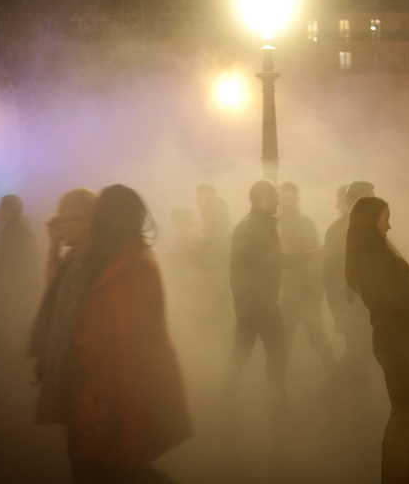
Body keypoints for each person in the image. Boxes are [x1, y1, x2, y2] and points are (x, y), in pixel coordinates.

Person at [71, 185, 191, 482]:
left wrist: (111, 393)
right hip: (105, 386)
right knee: (106, 465)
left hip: (118, 388)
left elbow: (129, 344)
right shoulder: (113, 259)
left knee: (113, 466)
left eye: (98, 214)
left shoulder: (134, 267)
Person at [345, 196, 409, 484]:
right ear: (370, 222)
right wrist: (402, 273)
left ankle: (403, 475)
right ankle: (398, 477)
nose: (390, 225)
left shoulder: (370, 254)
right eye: (385, 218)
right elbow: (404, 295)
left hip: (399, 338)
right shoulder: (373, 258)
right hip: (396, 339)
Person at [223, 179, 326, 420]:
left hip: (248, 303)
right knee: (277, 354)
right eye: (273, 197)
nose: (278, 201)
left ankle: (225, 405)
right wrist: (310, 255)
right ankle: (278, 411)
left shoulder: (245, 224)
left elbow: (239, 268)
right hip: (262, 303)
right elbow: (274, 260)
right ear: (263, 199)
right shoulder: (261, 225)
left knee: (241, 353)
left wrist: (240, 302)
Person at [29, 189, 97, 434]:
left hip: (82, 375)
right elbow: (54, 283)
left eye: (63, 219)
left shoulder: (92, 259)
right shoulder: (75, 254)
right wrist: (53, 245)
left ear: (86, 220)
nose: (58, 225)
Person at [277, 182, 337, 392]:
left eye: (290, 198)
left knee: (316, 337)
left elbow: (317, 256)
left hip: (306, 292)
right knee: (287, 341)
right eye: (283, 198)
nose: (287, 202)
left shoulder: (303, 224)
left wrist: (315, 290)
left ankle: (336, 382)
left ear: (296, 199)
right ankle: (278, 393)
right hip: (291, 292)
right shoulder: (276, 223)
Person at [323, 180, 375, 397]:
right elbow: (329, 276)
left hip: (370, 305)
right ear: (357, 202)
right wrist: (338, 313)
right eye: (371, 198)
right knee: (359, 356)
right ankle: (332, 394)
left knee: (362, 357)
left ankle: (356, 406)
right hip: (351, 305)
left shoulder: (372, 226)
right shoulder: (337, 231)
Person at [188, 194, 232, 326]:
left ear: (215, 212)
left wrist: (198, 249)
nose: (201, 212)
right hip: (208, 293)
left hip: (218, 294)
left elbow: (217, 263)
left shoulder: (224, 233)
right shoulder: (211, 231)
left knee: (216, 329)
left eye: (205, 209)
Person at [0, 194, 41, 311]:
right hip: (24, 290)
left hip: (18, 293)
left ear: (7, 209)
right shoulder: (19, 228)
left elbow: (9, 264)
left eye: (0, 207)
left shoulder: (14, 232)